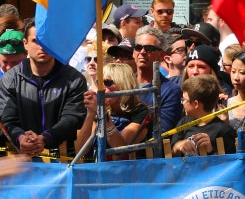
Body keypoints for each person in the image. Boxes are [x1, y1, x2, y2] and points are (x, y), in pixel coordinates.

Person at [0, 18, 87, 155]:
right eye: (36, 41)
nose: (42, 46)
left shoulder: (74, 79)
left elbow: (72, 118)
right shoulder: (9, 79)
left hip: (63, 161)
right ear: (25, 44)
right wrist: (21, 138)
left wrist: (45, 139)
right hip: (21, 158)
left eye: (47, 40)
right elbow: (8, 118)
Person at [75, 63, 151, 157]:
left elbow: (120, 148)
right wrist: (91, 113)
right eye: (99, 82)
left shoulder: (140, 110)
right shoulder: (102, 108)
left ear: (124, 84)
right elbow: (80, 150)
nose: (102, 88)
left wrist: (102, 113)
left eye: (107, 83)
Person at [171, 74, 236, 156]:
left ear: (195, 104)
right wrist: (178, 146)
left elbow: (231, 164)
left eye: (184, 100)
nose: (182, 103)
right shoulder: (184, 122)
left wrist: (211, 150)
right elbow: (170, 152)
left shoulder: (224, 130)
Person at [133, 25, 182, 134]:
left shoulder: (171, 91)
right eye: (138, 47)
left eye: (149, 49)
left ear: (161, 55)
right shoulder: (123, 84)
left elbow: (162, 132)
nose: (142, 52)